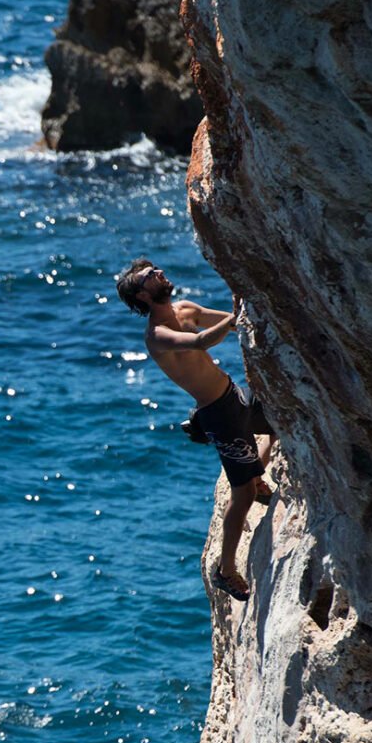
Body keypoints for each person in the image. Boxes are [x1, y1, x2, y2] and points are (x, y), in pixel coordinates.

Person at [116, 258, 275, 602]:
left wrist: (241, 314)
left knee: (282, 422)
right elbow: (201, 341)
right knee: (242, 494)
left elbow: (230, 326)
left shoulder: (186, 308)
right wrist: (238, 316)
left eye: (155, 269)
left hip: (233, 393)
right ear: (142, 296)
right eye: (149, 276)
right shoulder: (157, 336)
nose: (158, 273)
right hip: (218, 414)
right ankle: (226, 569)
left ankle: (257, 474)